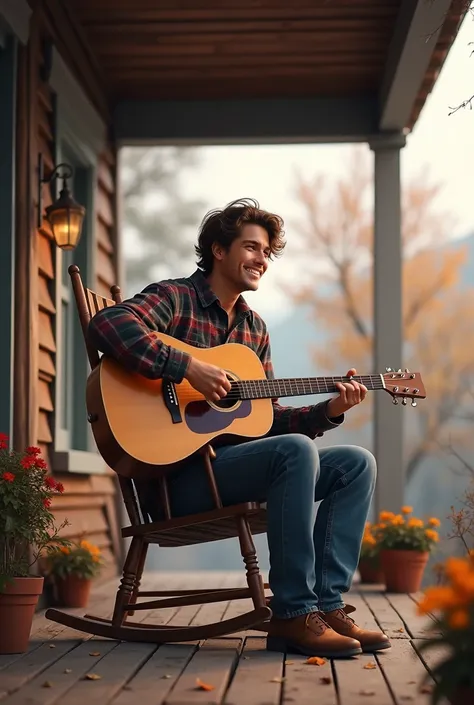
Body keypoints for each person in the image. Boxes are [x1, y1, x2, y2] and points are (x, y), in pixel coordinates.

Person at [88, 198, 390, 658]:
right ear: (218, 250)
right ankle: (292, 613)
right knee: (294, 452)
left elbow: (265, 421)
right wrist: (188, 367)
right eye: (251, 247)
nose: (261, 260)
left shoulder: (254, 329)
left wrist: (327, 410)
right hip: (176, 481)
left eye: (267, 252)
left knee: (356, 463)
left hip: (229, 470)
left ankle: (326, 607)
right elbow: (109, 323)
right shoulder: (176, 298)